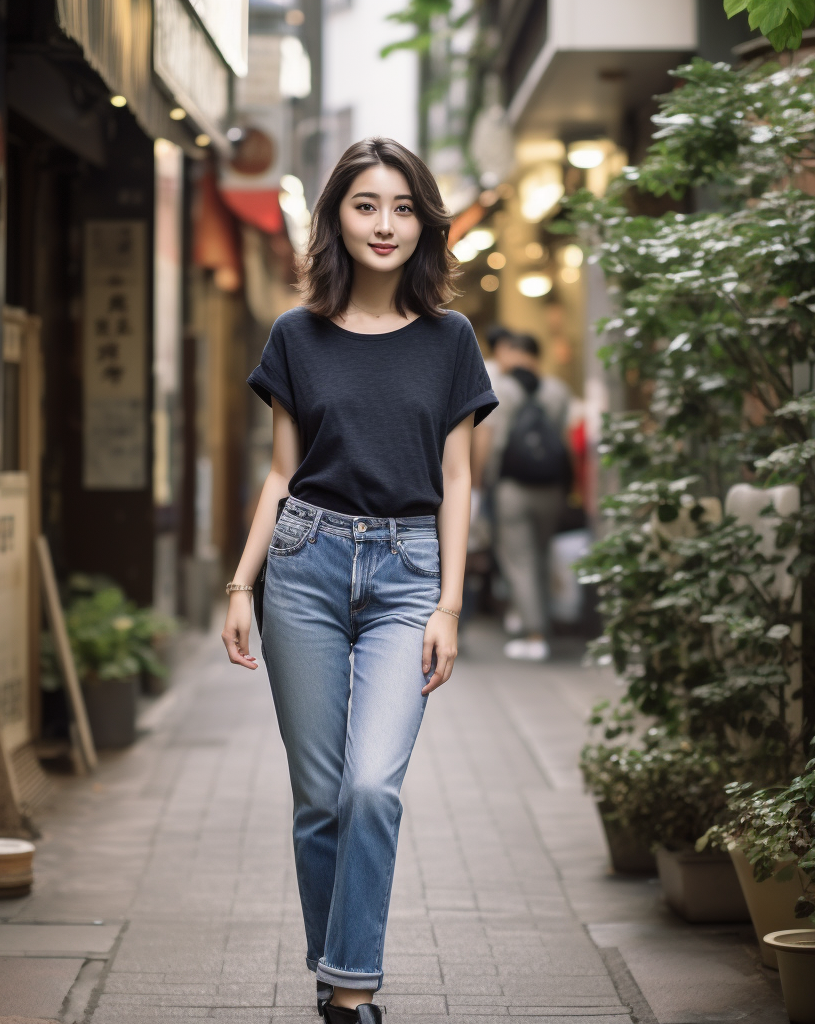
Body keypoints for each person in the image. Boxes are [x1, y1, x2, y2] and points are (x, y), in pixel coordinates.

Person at [220, 138, 497, 1024]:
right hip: (303, 565)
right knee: (317, 797)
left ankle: (350, 991)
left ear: (426, 223)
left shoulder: (451, 340)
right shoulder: (294, 335)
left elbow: (458, 481)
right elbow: (279, 474)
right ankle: (340, 979)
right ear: (337, 215)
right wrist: (239, 585)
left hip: (410, 572)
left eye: (405, 207)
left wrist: (451, 605)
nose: (386, 224)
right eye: (367, 205)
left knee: (371, 785)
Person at [486, 332, 570, 661]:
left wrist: (484, 484)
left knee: (519, 561)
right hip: (551, 487)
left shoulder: (502, 389)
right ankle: (541, 621)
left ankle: (534, 633)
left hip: (513, 487)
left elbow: (494, 444)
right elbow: (562, 441)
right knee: (542, 553)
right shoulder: (557, 390)